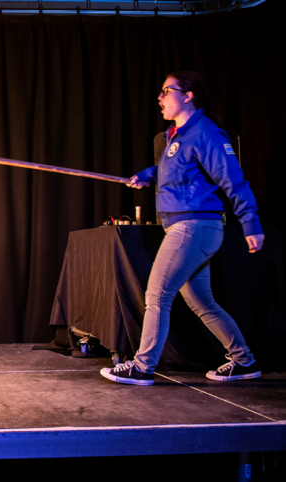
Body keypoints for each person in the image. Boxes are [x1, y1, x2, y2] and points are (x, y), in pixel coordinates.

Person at [100, 71, 265, 386]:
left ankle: (142, 366)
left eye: (166, 91)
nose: (160, 98)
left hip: (194, 227)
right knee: (202, 301)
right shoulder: (176, 136)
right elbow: (176, 167)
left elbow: (234, 179)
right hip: (186, 227)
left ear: (188, 95)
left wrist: (251, 223)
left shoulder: (206, 133)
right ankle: (244, 361)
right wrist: (148, 174)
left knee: (158, 293)